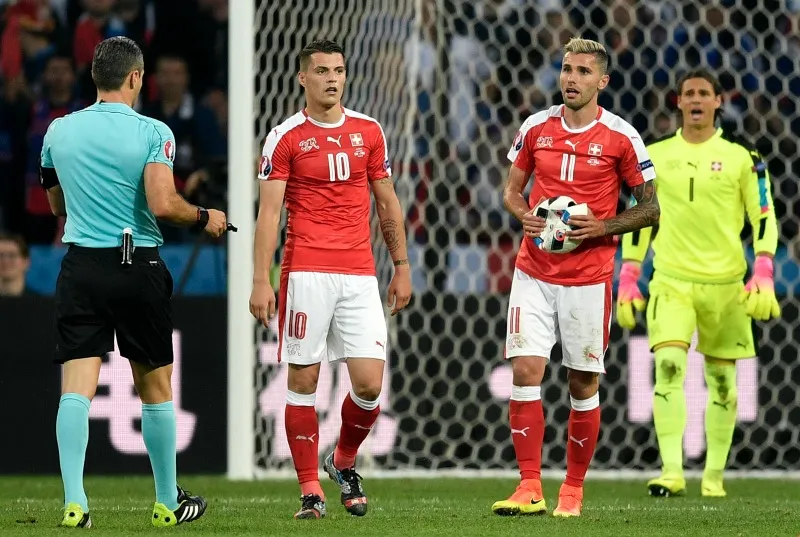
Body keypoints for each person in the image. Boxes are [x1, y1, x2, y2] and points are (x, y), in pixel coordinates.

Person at [39, 36, 227, 528]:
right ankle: (168, 501)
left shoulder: (58, 132)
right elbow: (163, 203)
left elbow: (56, 207)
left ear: (94, 77)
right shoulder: (152, 131)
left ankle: (74, 502)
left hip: (81, 265)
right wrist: (204, 215)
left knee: (75, 388)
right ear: (136, 77)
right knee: (156, 387)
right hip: (136, 263)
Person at [492, 37, 660, 518]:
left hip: (589, 278)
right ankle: (529, 486)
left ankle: (572, 488)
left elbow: (651, 208)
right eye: (567, 69)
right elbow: (511, 190)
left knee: (582, 383)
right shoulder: (535, 127)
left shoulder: (621, 137)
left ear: (602, 81)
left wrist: (603, 227)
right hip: (534, 271)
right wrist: (523, 214)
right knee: (525, 371)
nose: (572, 78)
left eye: (584, 72)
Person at [249, 39, 412, 520]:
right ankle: (309, 490)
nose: (332, 79)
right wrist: (262, 279)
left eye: (338, 70)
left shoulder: (369, 130)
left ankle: (342, 462)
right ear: (303, 78)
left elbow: (387, 203)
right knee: (303, 380)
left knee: (369, 385)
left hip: (360, 273)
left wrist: (401, 267)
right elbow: (269, 214)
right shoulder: (286, 137)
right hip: (305, 271)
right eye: (321, 71)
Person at [616, 69, 780, 498]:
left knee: (724, 382)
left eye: (703, 94)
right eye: (688, 93)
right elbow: (641, 216)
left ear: (718, 101)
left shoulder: (746, 156)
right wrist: (630, 274)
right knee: (668, 368)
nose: (695, 100)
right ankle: (671, 471)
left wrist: (763, 269)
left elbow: (763, 215)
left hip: (726, 286)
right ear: (677, 102)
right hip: (670, 281)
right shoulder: (653, 155)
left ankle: (713, 476)